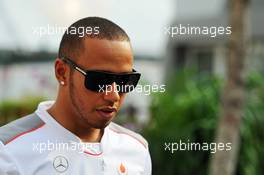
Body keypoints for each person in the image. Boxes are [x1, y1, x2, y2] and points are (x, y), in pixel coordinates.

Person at [0, 17, 152, 175]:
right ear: (62, 72)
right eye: (99, 79)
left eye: (125, 80)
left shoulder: (136, 150)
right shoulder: (9, 151)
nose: (113, 95)